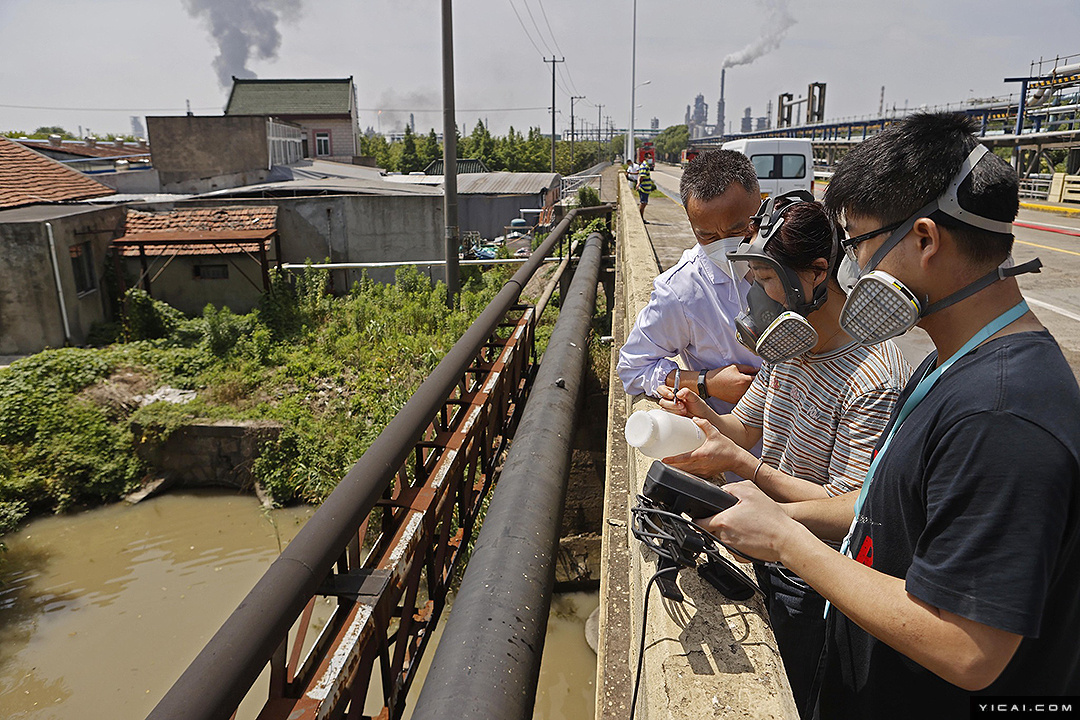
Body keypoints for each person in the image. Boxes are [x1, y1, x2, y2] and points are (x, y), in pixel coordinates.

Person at [699, 113, 1080, 718]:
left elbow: (969, 646)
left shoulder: (1003, 413)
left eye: (859, 244)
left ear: (925, 239)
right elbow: (876, 506)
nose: (852, 271)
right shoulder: (951, 363)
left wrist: (789, 543)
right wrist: (769, 514)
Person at [657, 193, 911, 714]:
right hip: (761, 546)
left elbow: (847, 510)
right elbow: (744, 427)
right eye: (752, 278)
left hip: (810, 580)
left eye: (766, 278)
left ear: (817, 274)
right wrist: (700, 416)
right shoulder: (787, 343)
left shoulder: (873, 375)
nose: (756, 294)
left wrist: (743, 466)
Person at [617, 149, 763, 419]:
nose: (726, 246)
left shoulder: (796, 256)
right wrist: (705, 383)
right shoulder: (681, 291)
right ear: (691, 224)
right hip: (743, 446)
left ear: (760, 205)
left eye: (737, 231)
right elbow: (633, 369)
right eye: (708, 236)